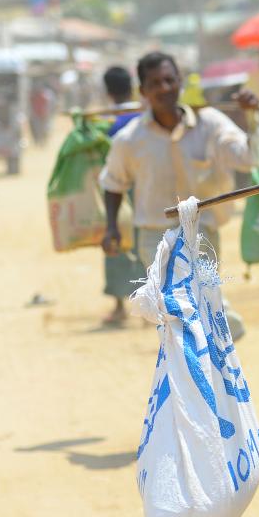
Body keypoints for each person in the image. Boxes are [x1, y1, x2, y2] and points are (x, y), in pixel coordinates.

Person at [99, 52, 259, 340]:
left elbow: (248, 157)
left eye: (169, 80)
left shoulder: (210, 124)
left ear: (180, 83)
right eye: (155, 83)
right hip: (154, 238)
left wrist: (252, 117)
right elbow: (112, 183)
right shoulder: (130, 138)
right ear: (143, 91)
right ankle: (216, 331)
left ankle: (217, 330)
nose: (164, 88)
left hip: (202, 231)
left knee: (197, 303)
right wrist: (111, 227)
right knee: (174, 307)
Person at [99, 65, 143, 327]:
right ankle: (149, 306)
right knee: (144, 243)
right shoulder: (144, 117)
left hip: (118, 190)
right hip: (146, 188)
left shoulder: (111, 123)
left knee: (115, 238)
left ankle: (119, 306)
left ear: (107, 91)